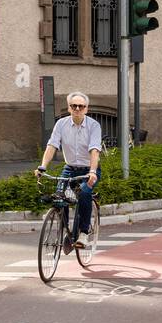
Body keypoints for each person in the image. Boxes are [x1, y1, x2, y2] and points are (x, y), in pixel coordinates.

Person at [35, 92, 102, 248]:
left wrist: (92, 171)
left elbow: (94, 150)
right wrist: (43, 166)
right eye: (74, 106)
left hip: (89, 170)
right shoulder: (61, 124)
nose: (77, 109)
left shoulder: (94, 126)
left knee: (85, 192)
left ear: (86, 109)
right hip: (70, 169)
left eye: (81, 106)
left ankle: (84, 233)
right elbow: (52, 145)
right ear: (69, 108)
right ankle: (65, 229)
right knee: (60, 196)